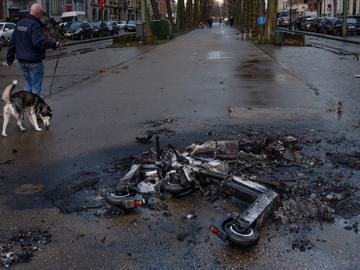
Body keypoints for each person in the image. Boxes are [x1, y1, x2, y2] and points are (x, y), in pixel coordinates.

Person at [6, 4, 60, 97]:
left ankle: (26, 106)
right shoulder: (35, 25)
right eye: (41, 14)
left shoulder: (19, 23)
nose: (41, 17)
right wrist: (54, 44)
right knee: (36, 87)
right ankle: (34, 110)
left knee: (29, 85)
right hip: (34, 62)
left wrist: (9, 60)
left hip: (22, 61)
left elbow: (12, 43)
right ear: (39, 13)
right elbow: (39, 43)